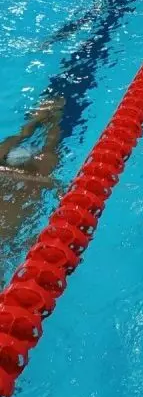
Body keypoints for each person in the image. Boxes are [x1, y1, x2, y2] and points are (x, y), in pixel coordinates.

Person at [0, 98, 65, 278]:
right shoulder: (10, 252)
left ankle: (32, 126)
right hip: (27, 185)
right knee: (47, 159)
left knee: (46, 159)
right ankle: (50, 120)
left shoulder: (8, 252)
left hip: (23, 184)